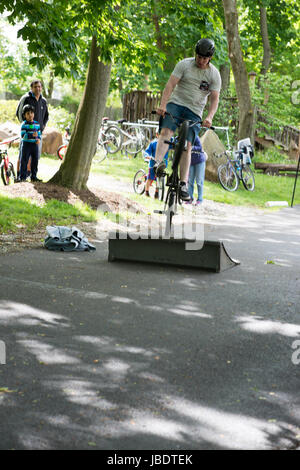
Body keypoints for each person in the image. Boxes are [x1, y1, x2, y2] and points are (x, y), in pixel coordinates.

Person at [154, 38, 221, 201]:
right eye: (199, 57)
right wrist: (163, 105)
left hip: (195, 111)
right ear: (195, 54)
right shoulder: (184, 64)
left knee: (188, 145)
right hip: (176, 104)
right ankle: (157, 164)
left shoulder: (214, 74)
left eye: (205, 58)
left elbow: (214, 99)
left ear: (210, 58)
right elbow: (170, 85)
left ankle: (183, 183)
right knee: (166, 131)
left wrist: (209, 117)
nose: (201, 60)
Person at [16, 79, 49, 179]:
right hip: (26, 134)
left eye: (39, 87)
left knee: (35, 156)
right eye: (35, 87)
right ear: (31, 88)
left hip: (37, 134)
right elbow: (19, 113)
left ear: (41, 88)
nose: (38, 89)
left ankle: (31, 175)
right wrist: (25, 125)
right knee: (23, 156)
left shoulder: (43, 101)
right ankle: (20, 175)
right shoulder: (26, 98)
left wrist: (42, 127)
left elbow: (46, 116)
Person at [18, 104, 41, 182]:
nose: (30, 115)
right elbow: (23, 135)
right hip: (26, 145)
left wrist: (39, 139)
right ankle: (22, 177)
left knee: (35, 160)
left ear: (34, 114)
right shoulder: (24, 124)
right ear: (24, 115)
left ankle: (34, 176)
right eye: (28, 113)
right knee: (24, 160)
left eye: (32, 113)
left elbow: (39, 133)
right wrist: (31, 135)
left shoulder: (37, 124)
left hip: (34, 145)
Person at [143, 132, 170, 198]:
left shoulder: (166, 143)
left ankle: (157, 193)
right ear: (157, 135)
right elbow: (147, 152)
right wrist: (147, 156)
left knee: (159, 179)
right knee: (150, 178)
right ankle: (146, 191)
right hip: (153, 163)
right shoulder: (153, 143)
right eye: (160, 135)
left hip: (161, 164)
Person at [187, 135, 207, 205]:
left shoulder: (195, 136)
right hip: (191, 161)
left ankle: (200, 200)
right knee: (190, 181)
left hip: (199, 160)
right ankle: (189, 198)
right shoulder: (184, 137)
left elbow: (200, 147)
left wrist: (191, 147)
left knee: (199, 181)